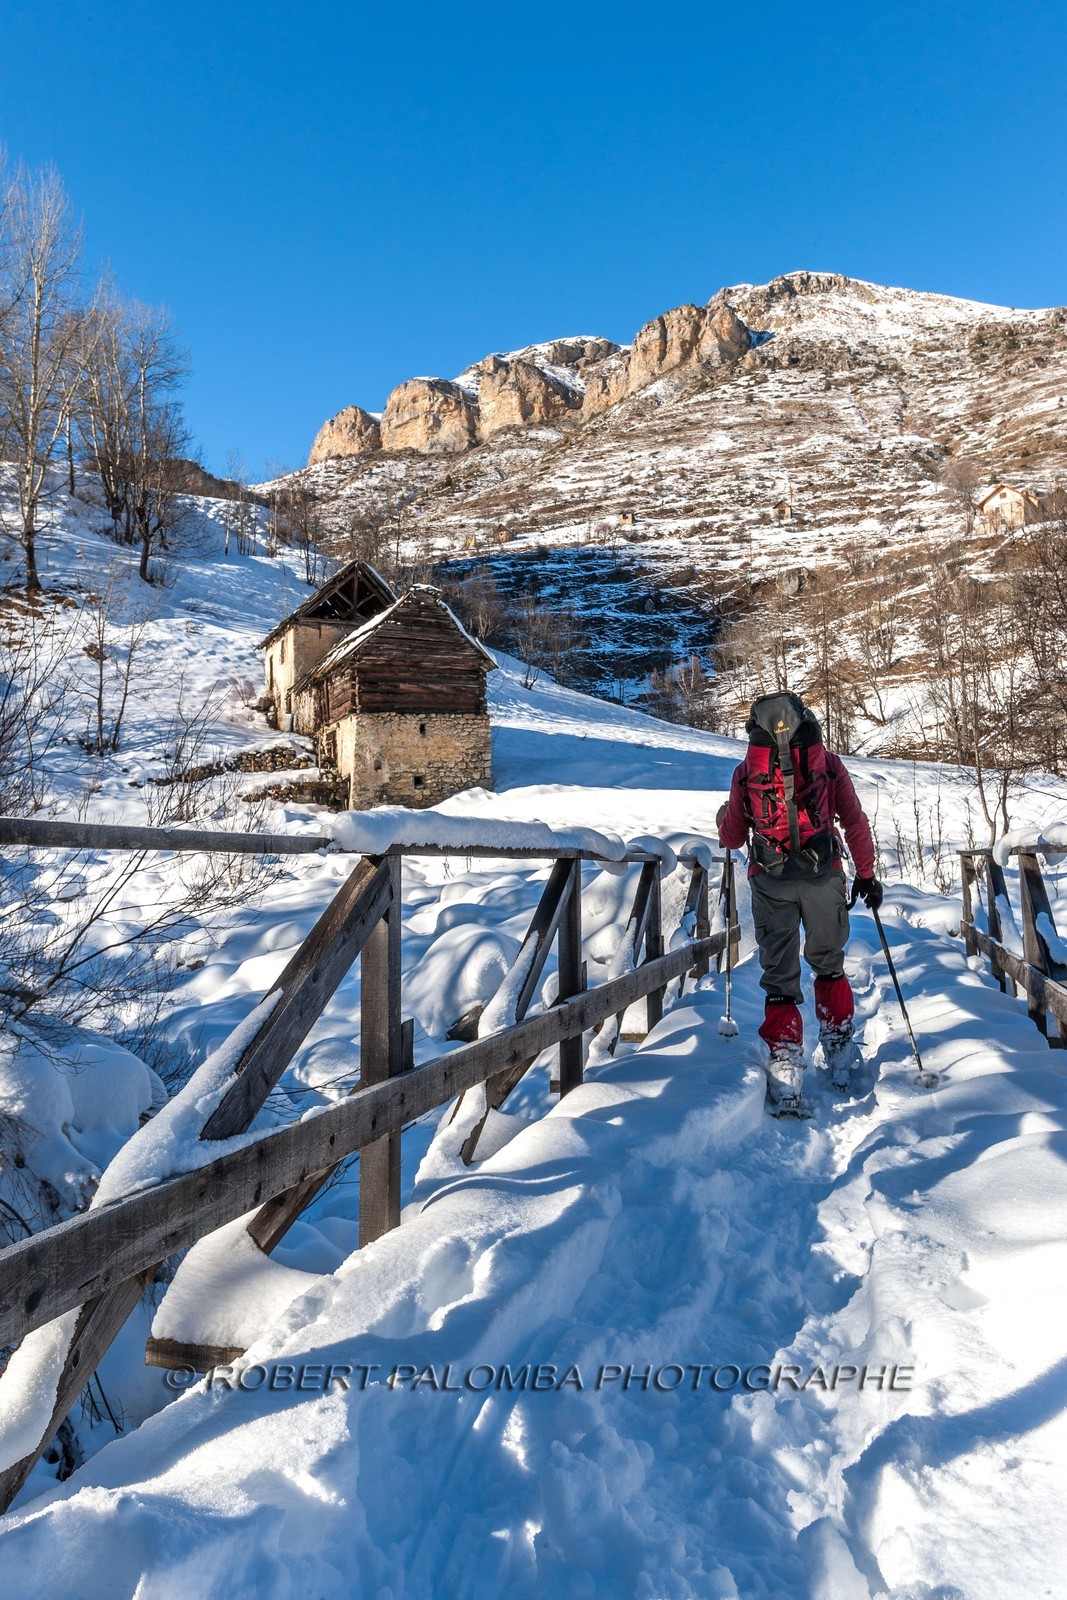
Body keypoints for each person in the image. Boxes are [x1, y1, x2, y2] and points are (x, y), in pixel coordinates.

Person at [716, 691, 882, 1094]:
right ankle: (839, 1041)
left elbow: (734, 837)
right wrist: (866, 874)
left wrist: (724, 818)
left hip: (771, 881)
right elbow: (854, 821)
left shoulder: (746, 772)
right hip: (823, 875)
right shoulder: (825, 763)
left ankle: (786, 1056)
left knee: (779, 973)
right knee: (828, 961)